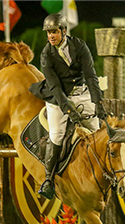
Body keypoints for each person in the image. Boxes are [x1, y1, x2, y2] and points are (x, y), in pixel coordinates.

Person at [29, 13, 107, 199]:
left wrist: (98, 102)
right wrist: (68, 109)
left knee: (96, 130)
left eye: (54, 32)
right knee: (57, 134)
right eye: (48, 33)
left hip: (81, 93)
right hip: (58, 98)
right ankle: (48, 180)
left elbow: (90, 75)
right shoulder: (46, 54)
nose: (51, 36)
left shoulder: (79, 46)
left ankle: (103, 173)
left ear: (63, 31)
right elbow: (55, 86)